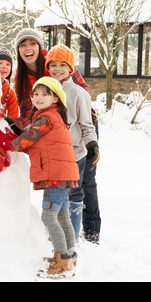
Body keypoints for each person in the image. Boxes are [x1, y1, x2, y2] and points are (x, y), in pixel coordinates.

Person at [9, 28, 102, 244]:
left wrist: (90, 140)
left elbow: (82, 92)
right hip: (55, 143)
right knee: (63, 194)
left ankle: (89, 231)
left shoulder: (56, 58)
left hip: (81, 133)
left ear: (41, 47)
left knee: (84, 184)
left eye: (32, 43)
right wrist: (16, 126)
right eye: (23, 45)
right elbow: (30, 113)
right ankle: (63, 241)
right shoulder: (23, 77)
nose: (28, 48)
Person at [3, 77, 80, 278]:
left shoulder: (45, 118)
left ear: (56, 98)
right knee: (62, 216)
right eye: (36, 94)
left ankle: (62, 260)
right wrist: (22, 140)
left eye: (45, 94)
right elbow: (39, 146)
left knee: (49, 217)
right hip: (63, 175)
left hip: (55, 176)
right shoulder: (54, 116)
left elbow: (30, 138)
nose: (39, 97)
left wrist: (9, 144)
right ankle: (68, 256)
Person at [45, 44, 100, 242]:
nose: (57, 69)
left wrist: (92, 145)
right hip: (51, 155)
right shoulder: (44, 91)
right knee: (53, 195)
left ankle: (72, 239)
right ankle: (55, 240)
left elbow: (86, 125)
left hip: (74, 154)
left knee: (74, 194)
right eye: (53, 65)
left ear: (71, 69)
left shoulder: (78, 93)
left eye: (62, 64)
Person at [0, 47, 19, 119]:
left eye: (8, 64)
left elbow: (13, 118)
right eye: (0, 63)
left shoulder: (10, 94)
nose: (4, 67)